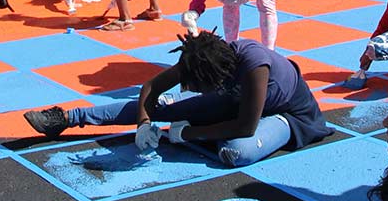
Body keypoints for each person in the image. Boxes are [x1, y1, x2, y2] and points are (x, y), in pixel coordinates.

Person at [23, 30, 330, 167]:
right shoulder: (200, 58)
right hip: (237, 103)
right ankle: (66, 118)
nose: (192, 87)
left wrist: (186, 133)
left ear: (216, 79)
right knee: (162, 108)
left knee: (237, 153)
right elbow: (150, 87)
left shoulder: (254, 66)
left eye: (197, 86)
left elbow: (246, 127)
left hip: (289, 115)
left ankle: (194, 128)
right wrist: (144, 122)